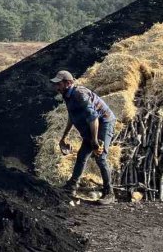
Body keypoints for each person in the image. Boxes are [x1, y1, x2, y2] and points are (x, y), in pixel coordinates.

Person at [50, 69, 116, 200]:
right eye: (56, 84)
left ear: (68, 83)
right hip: (92, 124)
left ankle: (109, 193)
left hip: (103, 122)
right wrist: (64, 137)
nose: (56, 86)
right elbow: (72, 116)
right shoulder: (67, 95)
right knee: (82, 155)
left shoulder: (80, 95)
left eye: (59, 84)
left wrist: (95, 141)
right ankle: (72, 187)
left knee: (100, 156)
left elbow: (94, 118)